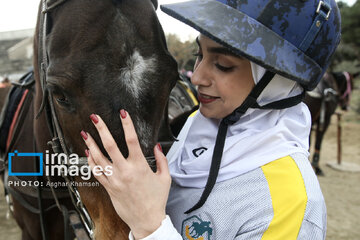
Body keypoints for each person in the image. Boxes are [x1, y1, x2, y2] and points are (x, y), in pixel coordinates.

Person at [81, 0, 341, 239]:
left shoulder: (291, 205)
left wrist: (150, 226)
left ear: (277, 81)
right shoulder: (195, 124)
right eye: (199, 55)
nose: (196, 78)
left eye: (223, 65)